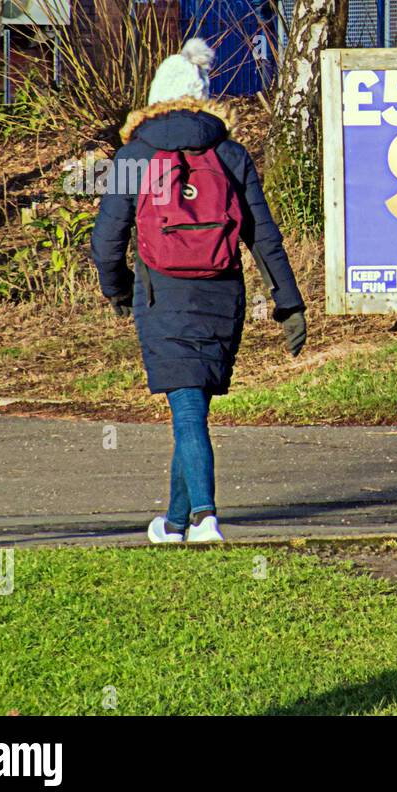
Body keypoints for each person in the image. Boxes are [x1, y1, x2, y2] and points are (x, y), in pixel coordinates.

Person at [91, 39, 307, 544]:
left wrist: (118, 290)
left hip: (161, 295)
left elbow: (107, 241)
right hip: (221, 293)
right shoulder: (230, 152)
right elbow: (263, 234)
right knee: (193, 407)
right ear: (202, 95)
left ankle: (205, 517)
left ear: (154, 99)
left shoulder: (132, 155)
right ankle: (173, 523)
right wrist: (288, 302)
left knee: (187, 408)